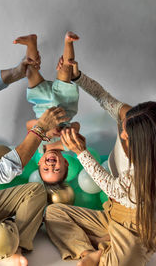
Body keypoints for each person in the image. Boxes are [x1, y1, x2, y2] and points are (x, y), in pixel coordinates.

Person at [0, 57, 69, 266]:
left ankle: (18, 246)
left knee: (35, 191)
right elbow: (4, 171)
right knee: (3, 239)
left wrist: (18, 71)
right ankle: (7, 243)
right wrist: (40, 128)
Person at [44, 60, 156, 266]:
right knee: (53, 213)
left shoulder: (143, 175)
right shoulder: (134, 119)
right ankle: (89, 251)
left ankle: (106, 251)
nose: (121, 133)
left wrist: (82, 153)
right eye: (123, 127)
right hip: (112, 214)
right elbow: (104, 98)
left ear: (145, 145)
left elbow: (111, 188)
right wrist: (79, 77)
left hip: (136, 226)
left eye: (127, 136)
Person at [13, 32, 80, 186]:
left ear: (39, 163)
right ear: (66, 163)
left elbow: (29, 125)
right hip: (64, 106)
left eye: (45, 169)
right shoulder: (68, 146)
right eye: (56, 170)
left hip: (41, 103)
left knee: (29, 72)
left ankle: (31, 43)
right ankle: (68, 42)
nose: (50, 166)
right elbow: (77, 125)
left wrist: (46, 129)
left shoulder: (37, 146)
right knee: (65, 71)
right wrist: (67, 131)